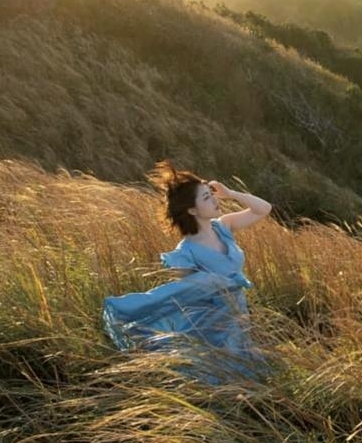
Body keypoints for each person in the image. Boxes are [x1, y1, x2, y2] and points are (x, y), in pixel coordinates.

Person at [102, 161, 272, 379]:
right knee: (224, 376)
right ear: (192, 209)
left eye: (210, 194)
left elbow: (263, 209)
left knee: (245, 372)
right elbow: (185, 299)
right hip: (215, 325)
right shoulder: (185, 253)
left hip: (239, 315)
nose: (214, 200)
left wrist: (230, 193)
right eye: (206, 198)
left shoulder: (224, 227)